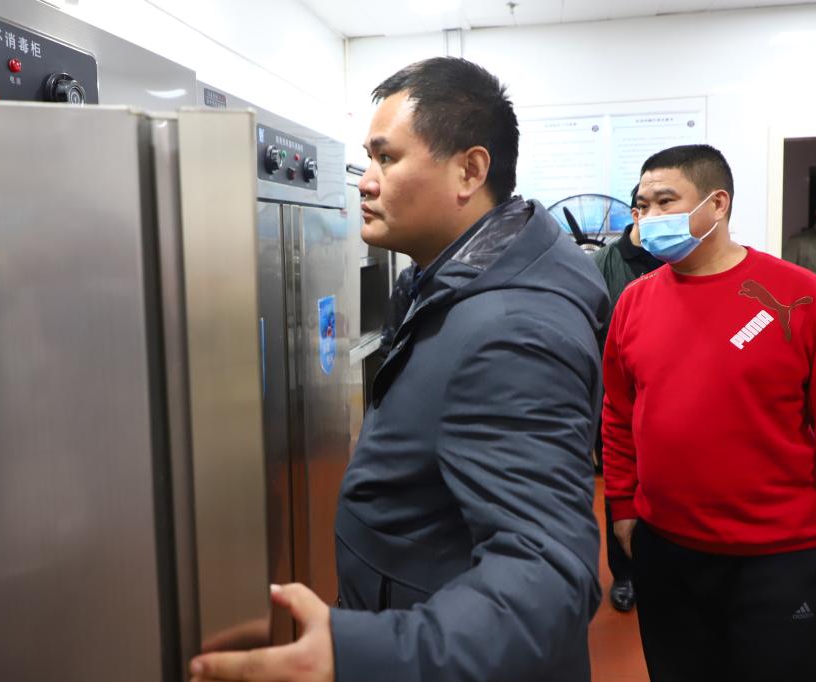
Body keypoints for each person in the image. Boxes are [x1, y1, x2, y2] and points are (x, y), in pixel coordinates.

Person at [190, 57, 608, 682]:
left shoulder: (512, 330)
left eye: (386, 158)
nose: (365, 181)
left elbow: (545, 577)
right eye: (368, 159)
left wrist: (365, 652)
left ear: (469, 171)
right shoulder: (456, 277)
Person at [602, 144, 816, 682]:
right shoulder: (634, 302)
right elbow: (617, 413)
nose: (649, 217)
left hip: (775, 554)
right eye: (641, 206)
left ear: (717, 204)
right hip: (666, 547)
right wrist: (622, 505)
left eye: (666, 201)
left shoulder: (803, 297)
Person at [591, 184, 662, 612]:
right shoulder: (603, 264)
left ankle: (662, 568)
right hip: (616, 398)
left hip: (667, 402)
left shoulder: (680, 260)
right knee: (620, 488)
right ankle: (625, 574)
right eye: (650, 206)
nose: (658, 214)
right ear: (635, 213)